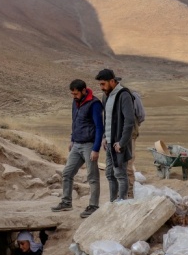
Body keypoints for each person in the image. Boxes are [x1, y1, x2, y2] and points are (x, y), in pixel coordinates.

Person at [51, 79, 104, 218]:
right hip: (76, 144)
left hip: (89, 145)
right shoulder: (75, 102)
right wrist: (72, 139)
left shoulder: (94, 104)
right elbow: (75, 122)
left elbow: (99, 127)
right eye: (72, 94)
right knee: (67, 173)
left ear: (83, 90)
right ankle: (66, 202)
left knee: (92, 176)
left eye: (75, 93)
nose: (73, 96)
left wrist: (96, 148)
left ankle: (93, 205)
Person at [96, 68, 136, 201]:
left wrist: (122, 142)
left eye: (103, 84)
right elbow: (106, 119)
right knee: (109, 174)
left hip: (119, 144)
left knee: (120, 173)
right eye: (100, 84)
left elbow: (129, 121)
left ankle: (122, 202)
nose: (101, 87)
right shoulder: (106, 95)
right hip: (108, 142)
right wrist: (104, 137)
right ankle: (113, 202)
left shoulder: (124, 95)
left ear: (112, 81)